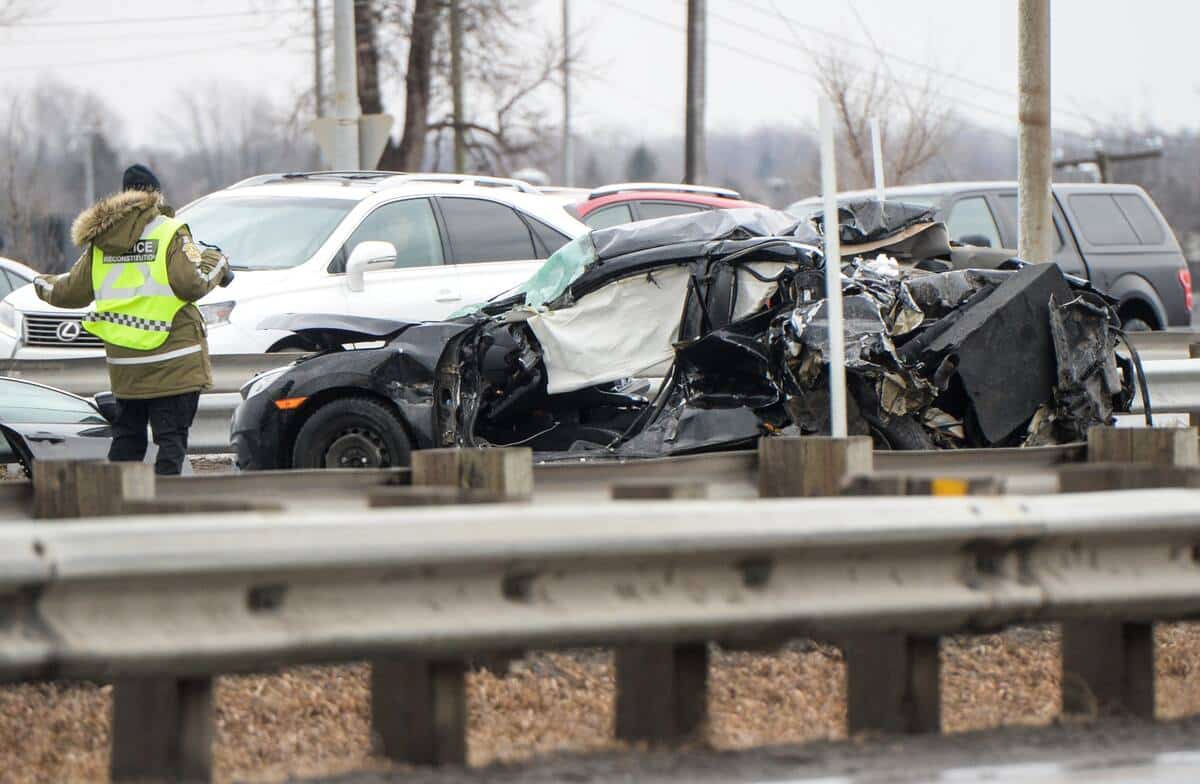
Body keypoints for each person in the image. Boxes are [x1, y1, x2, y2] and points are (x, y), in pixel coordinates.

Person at [33, 164, 231, 475]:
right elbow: (191, 283)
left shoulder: (100, 242)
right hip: (173, 362)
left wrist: (39, 282)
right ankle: (162, 510)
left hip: (126, 370)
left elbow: (68, 292)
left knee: (127, 441)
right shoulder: (168, 231)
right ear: (155, 195)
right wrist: (216, 262)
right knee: (170, 442)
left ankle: (118, 507)